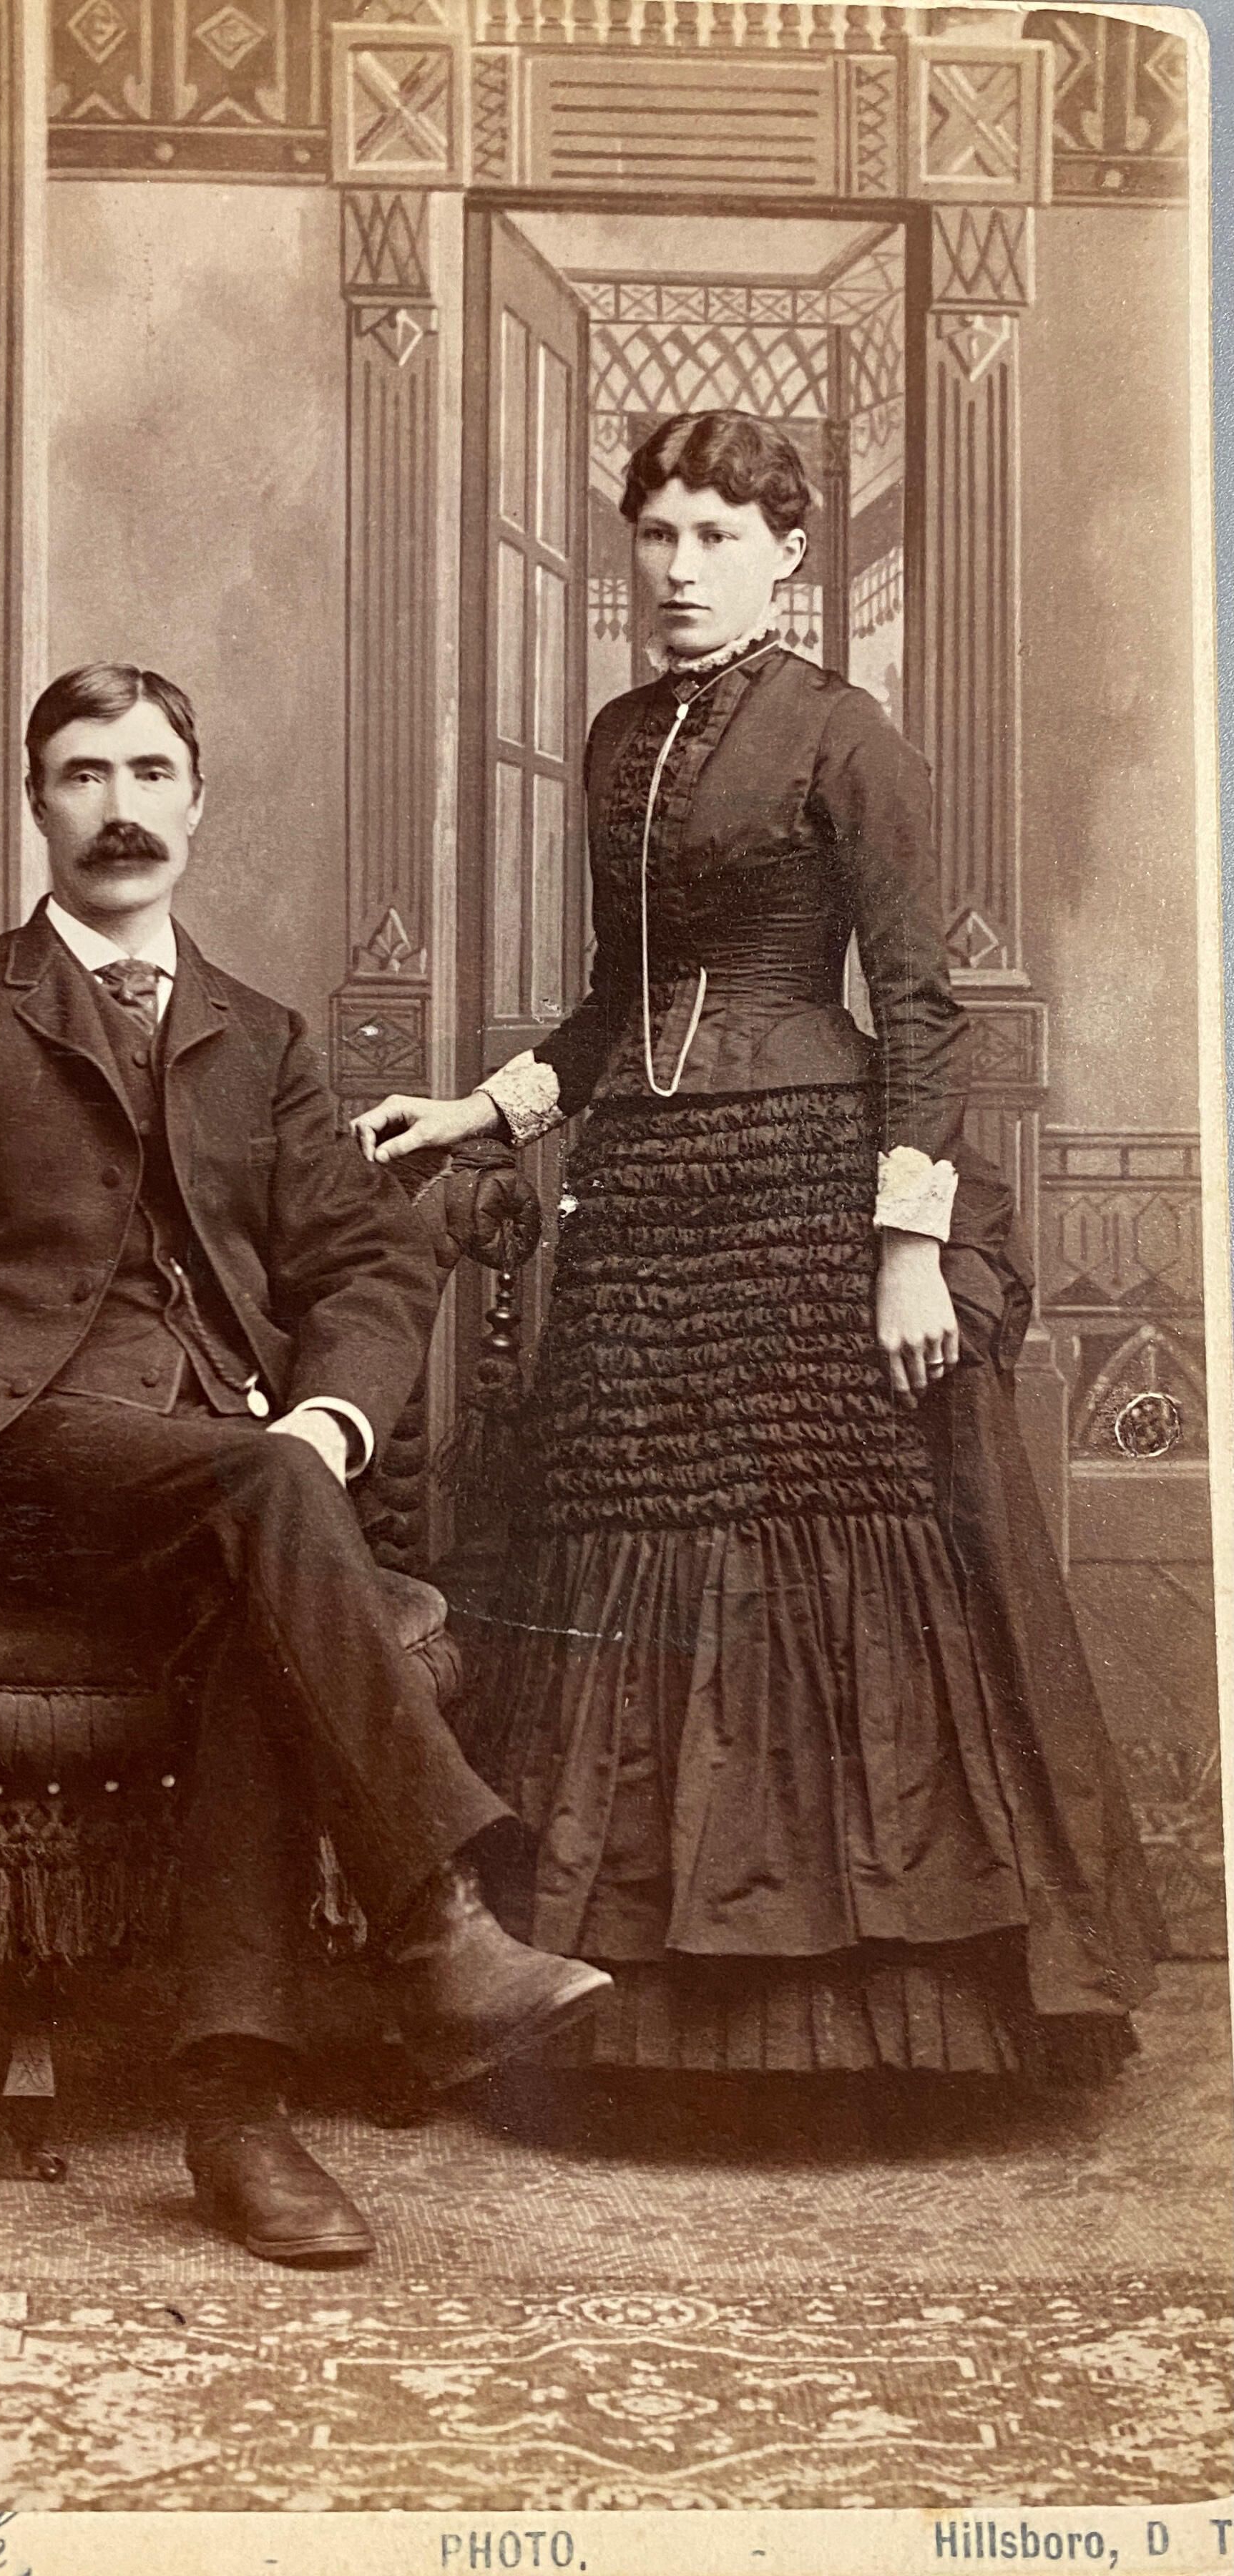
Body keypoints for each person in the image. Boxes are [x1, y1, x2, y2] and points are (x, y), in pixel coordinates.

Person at [0, 661, 610, 2264]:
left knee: (264, 1587)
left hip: (222, 1484)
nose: (119, 809)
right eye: (82, 776)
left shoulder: (262, 1038)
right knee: (270, 1503)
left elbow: (370, 1261)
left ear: (197, 801)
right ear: (36, 806)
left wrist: (327, 1419)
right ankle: (435, 1927)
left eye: (147, 774)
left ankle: (236, 2117)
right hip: (20, 1474)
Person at [356, 414, 1163, 2084]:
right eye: (656, 534)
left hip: (806, 1182)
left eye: (717, 536)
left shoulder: (844, 734)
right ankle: (631, 2013)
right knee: (627, 1530)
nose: (679, 568)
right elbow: (613, 1002)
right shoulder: (614, 737)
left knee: (809, 1532)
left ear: (790, 552)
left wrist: (905, 1248)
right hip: (647, 1190)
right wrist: (478, 1111)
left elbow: (920, 1007)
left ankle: (854, 2027)